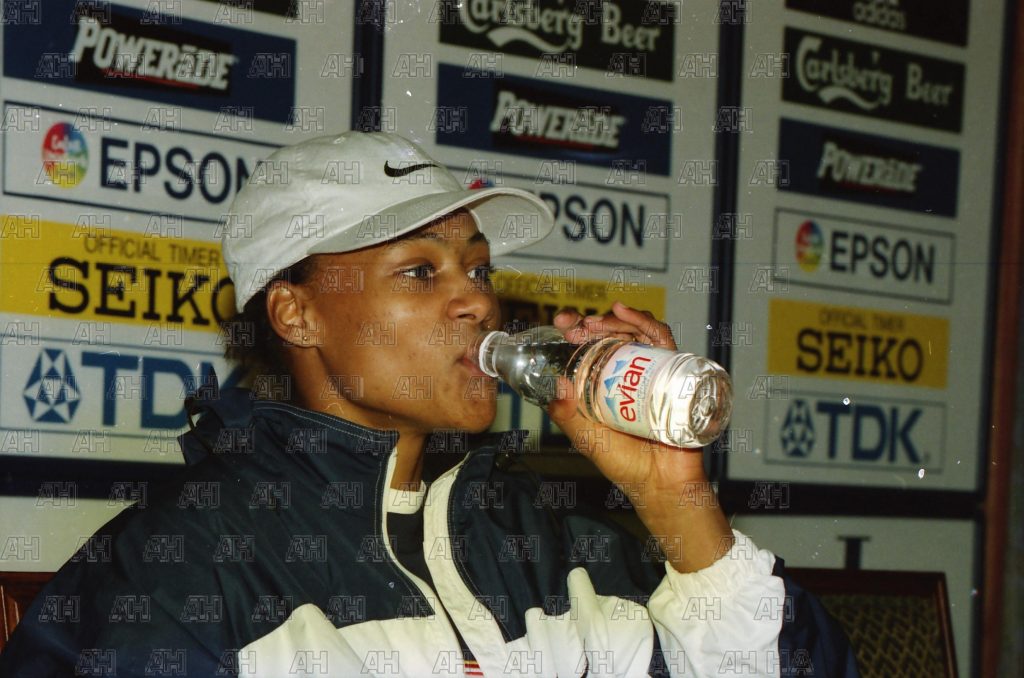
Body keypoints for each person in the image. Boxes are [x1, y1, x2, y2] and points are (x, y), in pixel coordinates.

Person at [0, 132, 859, 676]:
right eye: (420, 271)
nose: (478, 300)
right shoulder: (175, 570)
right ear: (296, 314)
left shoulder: (554, 543)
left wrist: (677, 503)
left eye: (479, 268)